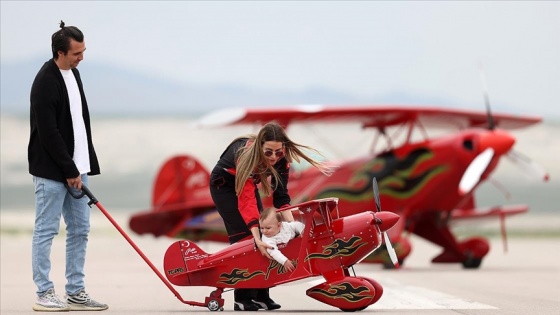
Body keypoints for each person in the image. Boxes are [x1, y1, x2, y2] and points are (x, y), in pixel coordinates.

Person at [209, 121, 333, 311]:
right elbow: (246, 200)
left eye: (278, 152)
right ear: (260, 146)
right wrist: (257, 238)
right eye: (268, 152)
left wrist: (293, 230)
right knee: (248, 238)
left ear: (283, 148)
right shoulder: (245, 156)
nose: (274, 157)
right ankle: (242, 298)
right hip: (224, 186)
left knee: (269, 232)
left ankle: (261, 295)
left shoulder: (282, 160)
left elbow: (282, 199)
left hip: (247, 187)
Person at [28, 21, 107, 312]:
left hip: (77, 168)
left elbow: (76, 124)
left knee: (80, 230)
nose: (81, 57)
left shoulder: (74, 74)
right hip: (52, 171)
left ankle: (75, 291)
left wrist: (81, 167)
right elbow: (49, 133)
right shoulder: (45, 81)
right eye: (77, 53)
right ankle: (44, 293)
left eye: (83, 51)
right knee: (46, 230)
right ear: (60, 53)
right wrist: (69, 170)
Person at [259, 208, 304, 272]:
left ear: (279, 225)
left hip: (298, 250)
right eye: (261, 228)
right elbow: (273, 251)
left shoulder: (285, 226)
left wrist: (302, 230)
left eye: (268, 228)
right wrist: (284, 261)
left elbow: (296, 225)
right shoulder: (267, 239)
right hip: (290, 256)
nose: (264, 231)